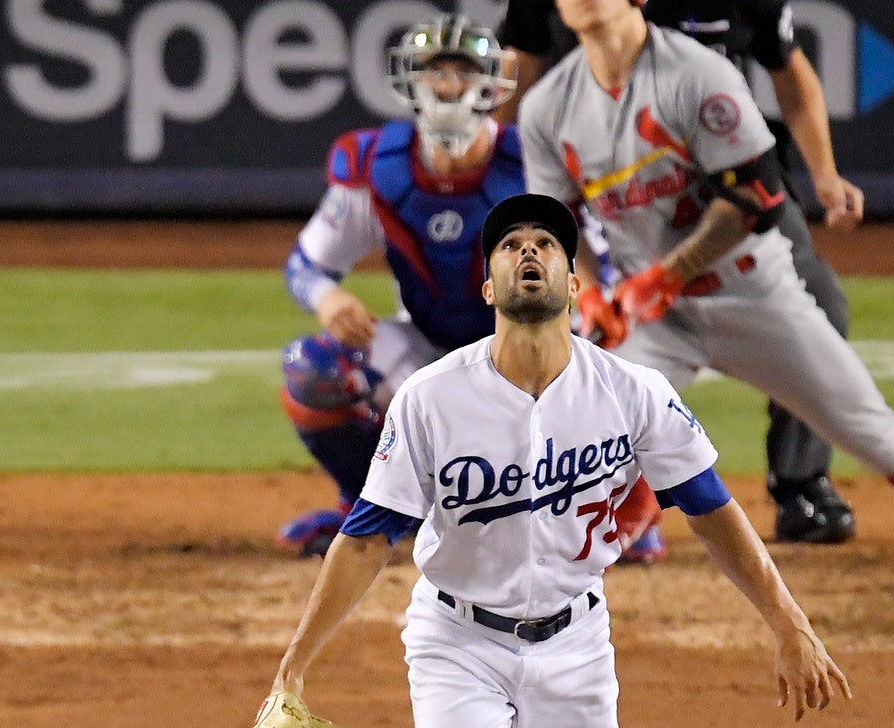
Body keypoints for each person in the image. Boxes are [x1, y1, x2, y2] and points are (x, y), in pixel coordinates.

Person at [516, 0, 894, 619]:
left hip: (751, 291)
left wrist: (664, 277)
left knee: (876, 435)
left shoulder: (697, 75)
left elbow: (755, 193)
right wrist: (589, 293)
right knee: (579, 435)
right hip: (656, 317)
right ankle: (559, 588)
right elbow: (556, 223)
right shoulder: (547, 106)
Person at [254, 192, 852, 728]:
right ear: (489, 289)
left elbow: (712, 511)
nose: (528, 251)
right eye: (510, 245)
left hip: (579, 648)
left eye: (546, 243)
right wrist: (293, 667)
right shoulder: (429, 397)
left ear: (572, 284)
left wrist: (789, 624)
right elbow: (366, 539)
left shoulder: (634, 392)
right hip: (456, 645)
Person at [496, 0, 862, 546]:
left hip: (734, 185)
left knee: (821, 302)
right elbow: (520, 67)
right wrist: (494, 167)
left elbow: (789, 71)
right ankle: (583, 494)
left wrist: (825, 174)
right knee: (601, 337)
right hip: (616, 198)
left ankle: (801, 483)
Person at [274, 14, 521, 557]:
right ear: (410, 79)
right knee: (313, 369)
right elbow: (306, 265)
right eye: (435, 72)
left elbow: (596, 277)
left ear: (492, 83)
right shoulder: (374, 164)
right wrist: (327, 297)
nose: (448, 86)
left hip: (528, 360)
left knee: (610, 362)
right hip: (427, 344)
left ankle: (610, 510)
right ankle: (368, 511)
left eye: (463, 72)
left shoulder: (536, 163)